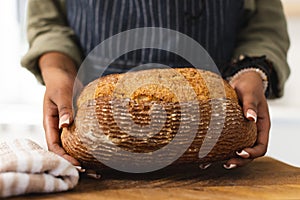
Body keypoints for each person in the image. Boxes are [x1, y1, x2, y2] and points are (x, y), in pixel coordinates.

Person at [21, 0, 290, 169]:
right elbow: (49, 23)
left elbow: (263, 26)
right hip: (96, 140)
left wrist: (252, 73)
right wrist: (58, 71)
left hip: (214, 144)